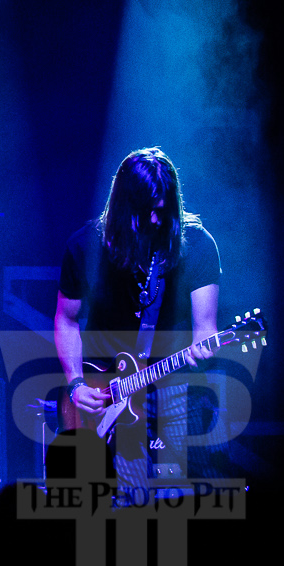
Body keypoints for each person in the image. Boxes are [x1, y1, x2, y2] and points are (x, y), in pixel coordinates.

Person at [54, 147, 221, 490]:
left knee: (189, 495)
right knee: (123, 499)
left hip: (174, 385)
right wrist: (76, 383)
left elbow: (206, 329)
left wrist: (205, 347)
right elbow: (66, 320)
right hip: (108, 391)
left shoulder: (197, 245)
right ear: (123, 207)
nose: (156, 221)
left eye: (162, 211)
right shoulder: (85, 247)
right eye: (146, 212)